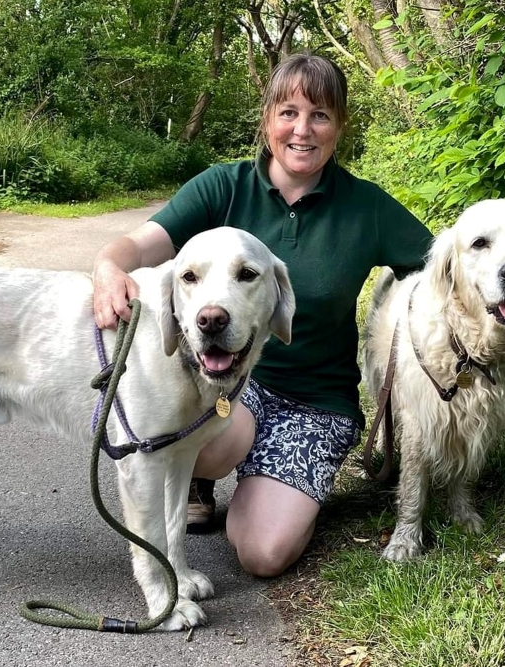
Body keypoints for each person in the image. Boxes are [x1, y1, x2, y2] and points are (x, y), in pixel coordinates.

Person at [92, 53, 433, 578]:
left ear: (340, 126)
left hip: (317, 402)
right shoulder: (223, 187)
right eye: (288, 112)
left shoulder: (368, 207)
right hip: (234, 388)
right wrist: (108, 266)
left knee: (262, 553)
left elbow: (441, 270)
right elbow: (141, 245)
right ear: (267, 119)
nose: (303, 129)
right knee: (183, 438)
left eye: (320, 115)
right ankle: (204, 479)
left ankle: (280, 489)